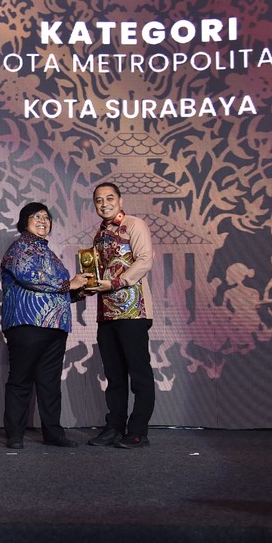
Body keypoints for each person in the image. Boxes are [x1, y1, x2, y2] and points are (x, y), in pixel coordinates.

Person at [0, 202, 89, 449]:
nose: (43, 221)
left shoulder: (49, 252)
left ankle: (53, 433)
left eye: (47, 217)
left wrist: (80, 291)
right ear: (24, 221)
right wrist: (68, 284)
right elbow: (31, 277)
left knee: (49, 383)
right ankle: (15, 434)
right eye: (36, 216)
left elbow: (57, 290)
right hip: (27, 323)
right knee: (21, 380)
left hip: (55, 326)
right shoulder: (19, 248)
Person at [84, 182, 156, 449]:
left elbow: (145, 260)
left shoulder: (135, 225)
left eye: (109, 198)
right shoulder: (99, 235)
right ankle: (114, 427)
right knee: (113, 376)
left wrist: (116, 283)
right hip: (107, 314)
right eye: (98, 200)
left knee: (139, 374)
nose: (104, 204)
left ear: (121, 200)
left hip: (134, 311)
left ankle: (138, 432)